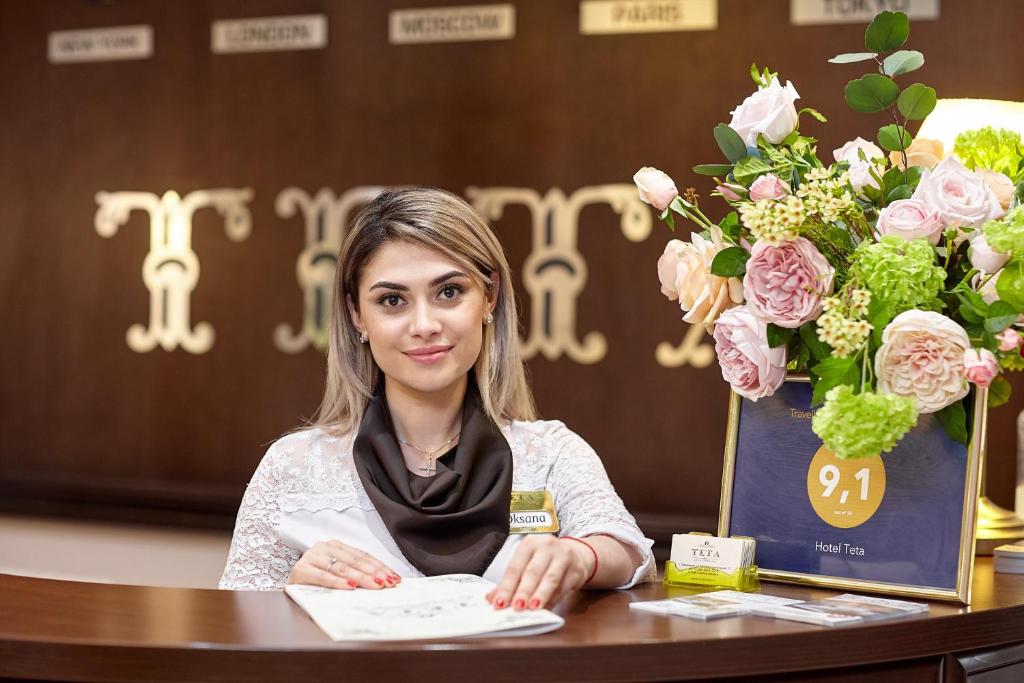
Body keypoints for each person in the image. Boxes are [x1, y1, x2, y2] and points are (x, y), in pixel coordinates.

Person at [219, 187, 655, 610]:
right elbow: (235, 624)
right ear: (357, 316)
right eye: (392, 300)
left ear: (489, 297)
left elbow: (629, 553)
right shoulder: (291, 467)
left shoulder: (550, 453)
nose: (424, 324)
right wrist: (291, 592)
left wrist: (579, 556)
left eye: (449, 292)